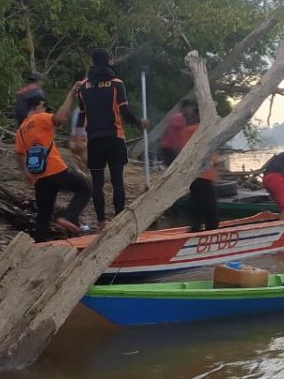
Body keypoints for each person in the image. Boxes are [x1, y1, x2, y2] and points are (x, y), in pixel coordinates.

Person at [76, 48, 147, 229]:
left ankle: (101, 223)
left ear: (93, 62)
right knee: (117, 181)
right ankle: (118, 222)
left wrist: (77, 134)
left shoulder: (83, 87)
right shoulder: (116, 83)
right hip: (114, 138)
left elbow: (82, 114)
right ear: (109, 61)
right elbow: (124, 112)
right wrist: (140, 123)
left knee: (97, 184)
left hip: (94, 140)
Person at [15, 83, 90, 241]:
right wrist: (71, 95)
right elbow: (60, 119)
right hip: (55, 170)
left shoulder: (21, 129)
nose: (45, 109)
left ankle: (40, 245)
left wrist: (26, 173)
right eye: (44, 106)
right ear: (40, 105)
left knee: (44, 214)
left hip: (39, 177)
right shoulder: (41, 118)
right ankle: (69, 217)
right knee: (84, 188)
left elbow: (19, 154)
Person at [176, 105, 218, 232]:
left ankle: (194, 232)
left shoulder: (185, 132)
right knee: (211, 212)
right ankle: (212, 235)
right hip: (204, 176)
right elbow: (213, 157)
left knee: (197, 210)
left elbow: (182, 153)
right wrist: (215, 161)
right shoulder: (203, 132)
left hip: (192, 177)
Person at [159, 100, 196, 166]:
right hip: (169, 147)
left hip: (171, 147)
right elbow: (172, 132)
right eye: (190, 109)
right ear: (185, 108)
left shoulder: (183, 119)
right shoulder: (178, 117)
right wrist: (176, 146)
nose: (191, 111)